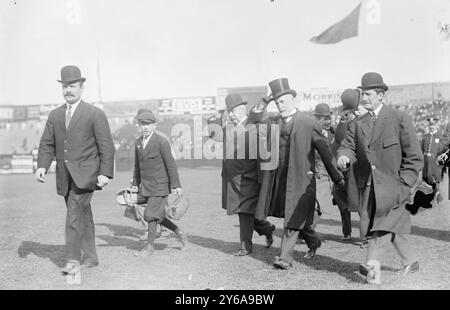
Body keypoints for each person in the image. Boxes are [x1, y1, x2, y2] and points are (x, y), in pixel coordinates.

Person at [337, 72, 423, 284]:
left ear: (381, 95)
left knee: (380, 227)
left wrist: (404, 184)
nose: (364, 98)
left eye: (368, 94)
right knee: (387, 224)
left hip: (396, 186)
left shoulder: (399, 118)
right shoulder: (358, 124)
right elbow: (346, 146)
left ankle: (371, 265)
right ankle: (411, 262)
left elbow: (414, 157)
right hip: (369, 187)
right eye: (362, 94)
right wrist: (343, 158)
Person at [250, 78, 345, 270]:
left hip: (301, 179)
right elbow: (253, 121)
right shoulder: (273, 122)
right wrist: (265, 101)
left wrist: (338, 177)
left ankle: (285, 258)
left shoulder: (308, 123)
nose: (281, 106)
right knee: (265, 215)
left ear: (293, 100)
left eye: (283, 101)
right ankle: (313, 239)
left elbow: (325, 151)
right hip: (277, 179)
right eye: (277, 103)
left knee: (293, 217)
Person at [35, 65, 115, 274]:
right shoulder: (55, 115)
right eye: (65, 86)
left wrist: (105, 173)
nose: (68, 90)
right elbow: (47, 144)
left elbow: (106, 146)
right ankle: (91, 258)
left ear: (82, 87)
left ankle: (72, 261)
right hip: (64, 177)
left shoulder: (94, 114)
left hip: (86, 176)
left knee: (73, 215)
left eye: (72, 86)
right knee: (83, 216)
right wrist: (42, 166)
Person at [207, 94, 275, 256]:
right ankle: (267, 229)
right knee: (245, 212)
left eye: (234, 110)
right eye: (229, 111)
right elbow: (214, 135)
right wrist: (214, 119)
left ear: (243, 109)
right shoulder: (228, 128)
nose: (231, 114)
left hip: (249, 178)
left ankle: (246, 247)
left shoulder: (252, 122)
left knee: (245, 212)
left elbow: (257, 113)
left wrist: (264, 101)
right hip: (232, 179)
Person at [132, 111, 185, 256]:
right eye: (143, 124)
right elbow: (137, 165)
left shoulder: (161, 142)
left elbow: (171, 165)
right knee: (158, 217)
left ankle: (149, 248)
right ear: (139, 126)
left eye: (149, 124)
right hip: (146, 186)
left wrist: (176, 185)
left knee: (150, 214)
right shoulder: (138, 143)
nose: (146, 127)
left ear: (154, 125)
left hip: (160, 186)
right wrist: (135, 183)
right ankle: (179, 232)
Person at [421, 116, 446, 204]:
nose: (431, 126)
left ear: (437, 125)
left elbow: (443, 151)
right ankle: (435, 195)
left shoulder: (440, 137)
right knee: (427, 179)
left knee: (435, 180)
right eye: (430, 125)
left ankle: (438, 196)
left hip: (435, 163)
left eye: (433, 125)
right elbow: (421, 150)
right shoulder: (425, 137)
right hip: (426, 162)